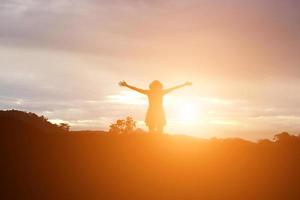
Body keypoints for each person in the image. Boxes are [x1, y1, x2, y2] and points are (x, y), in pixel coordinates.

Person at [119, 80, 192, 134]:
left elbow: (173, 88)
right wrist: (127, 85)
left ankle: (158, 145)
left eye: (157, 86)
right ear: (152, 86)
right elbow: (137, 89)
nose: (156, 88)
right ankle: (153, 144)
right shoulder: (151, 92)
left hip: (158, 112)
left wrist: (184, 84)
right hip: (153, 112)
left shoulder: (159, 92)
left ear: (160, 87)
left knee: (160, 130)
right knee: (152, 130)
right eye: (155, 86)